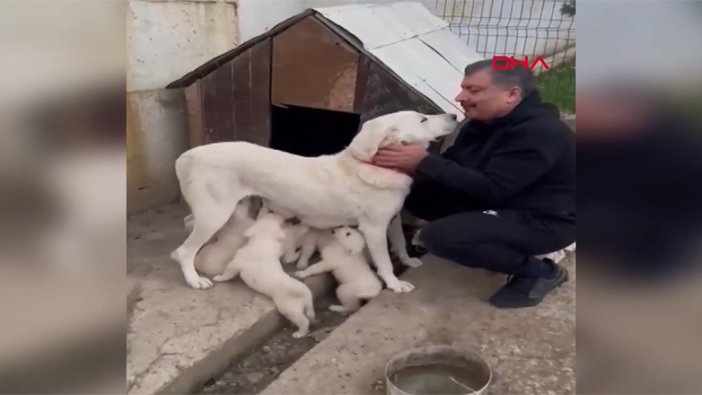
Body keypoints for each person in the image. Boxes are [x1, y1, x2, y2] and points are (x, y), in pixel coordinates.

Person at [371, 59, 575, 309]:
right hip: (499, 201)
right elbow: (454, 164)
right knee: (414, 193)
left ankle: (540, 271)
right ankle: (478, 232)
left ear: (512, 94)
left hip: (543, 220)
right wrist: (399, 168)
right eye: (463, 88)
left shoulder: (541, 133)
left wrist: (424, 161)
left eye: (473, 90)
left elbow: (494, 187)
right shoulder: (480, 123)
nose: (459, 97)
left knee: (441, 236)